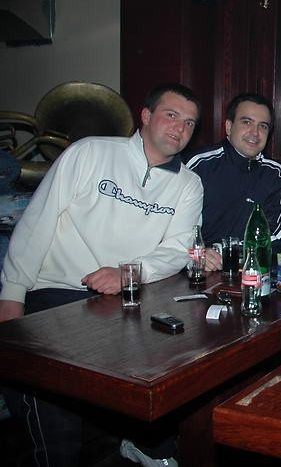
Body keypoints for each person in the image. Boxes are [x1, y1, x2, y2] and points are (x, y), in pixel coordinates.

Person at [0, 82, 203, 466]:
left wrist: (128, 274)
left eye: (190, 123)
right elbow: (38, 221)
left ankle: (147, 447)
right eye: (171, 115)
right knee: (53, 394)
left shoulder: (189, 184)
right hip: (58, 293)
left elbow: (178, 249)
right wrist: (12, 294)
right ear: (146, 116)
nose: (180, 127)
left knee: (181, 352)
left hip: (126, 298)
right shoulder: (91, 152)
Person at [186, 93, 281, 270]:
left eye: (263, 126)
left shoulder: (274, 174)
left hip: (250, 270)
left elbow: (277, 235)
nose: (255, 133)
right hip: (196, 270)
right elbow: (172, 227)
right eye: (246, 122)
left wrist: (225, 251)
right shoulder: (199, 164)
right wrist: (196, 253)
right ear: (229, 127)